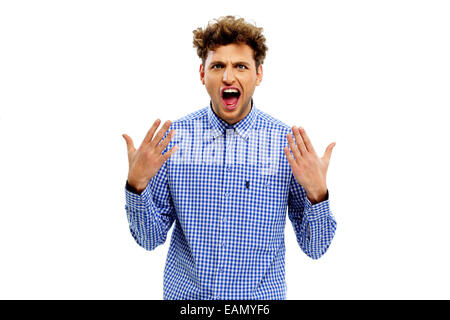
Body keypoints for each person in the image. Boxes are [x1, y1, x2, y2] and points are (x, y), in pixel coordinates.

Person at [122, 15, 337, 300]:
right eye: (218, 66)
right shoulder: (173, 140)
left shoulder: (288, 146)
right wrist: (136, 186)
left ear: (258, 74)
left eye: (240, 66)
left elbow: (315, 248)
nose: (228, 77)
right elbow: (149, 240)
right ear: (202, 74)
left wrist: (318, 194)